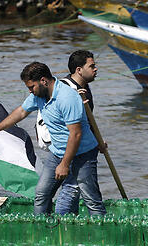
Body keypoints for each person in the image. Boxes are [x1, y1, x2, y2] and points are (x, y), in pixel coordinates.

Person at [0, 62, 106, 216]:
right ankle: (42, 231)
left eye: (31, 87)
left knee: (91, 200)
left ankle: (102, 237)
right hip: (57, 152)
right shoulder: (39, 96)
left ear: (44, 81)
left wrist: (65, 164)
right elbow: (21, 112)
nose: (30, 91)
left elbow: (76, 134)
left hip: (83, 154)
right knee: (41, 194)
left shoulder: (67, 97)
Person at [53, 50, 103, 215]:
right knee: (72, 189)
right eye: (92, 66)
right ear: (79, 70)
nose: (96, 69)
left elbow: (88, 121)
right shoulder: (65, 89)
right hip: (72, 146)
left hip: (85, 144)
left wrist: (98, 141)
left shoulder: (84, 87)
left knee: (73, 190)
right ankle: (63, 224)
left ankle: (68, 222)